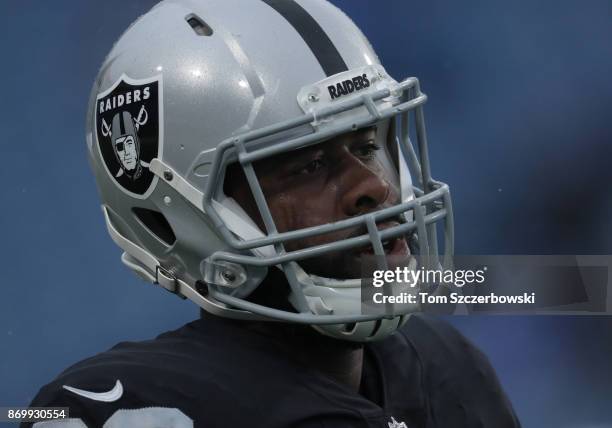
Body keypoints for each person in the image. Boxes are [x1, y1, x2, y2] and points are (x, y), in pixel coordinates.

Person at [24, 0, 520, 426]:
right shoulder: (131, 407)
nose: (375, 186)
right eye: (311, 164)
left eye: (367, 146)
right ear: (181, 216)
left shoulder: (449, 367)